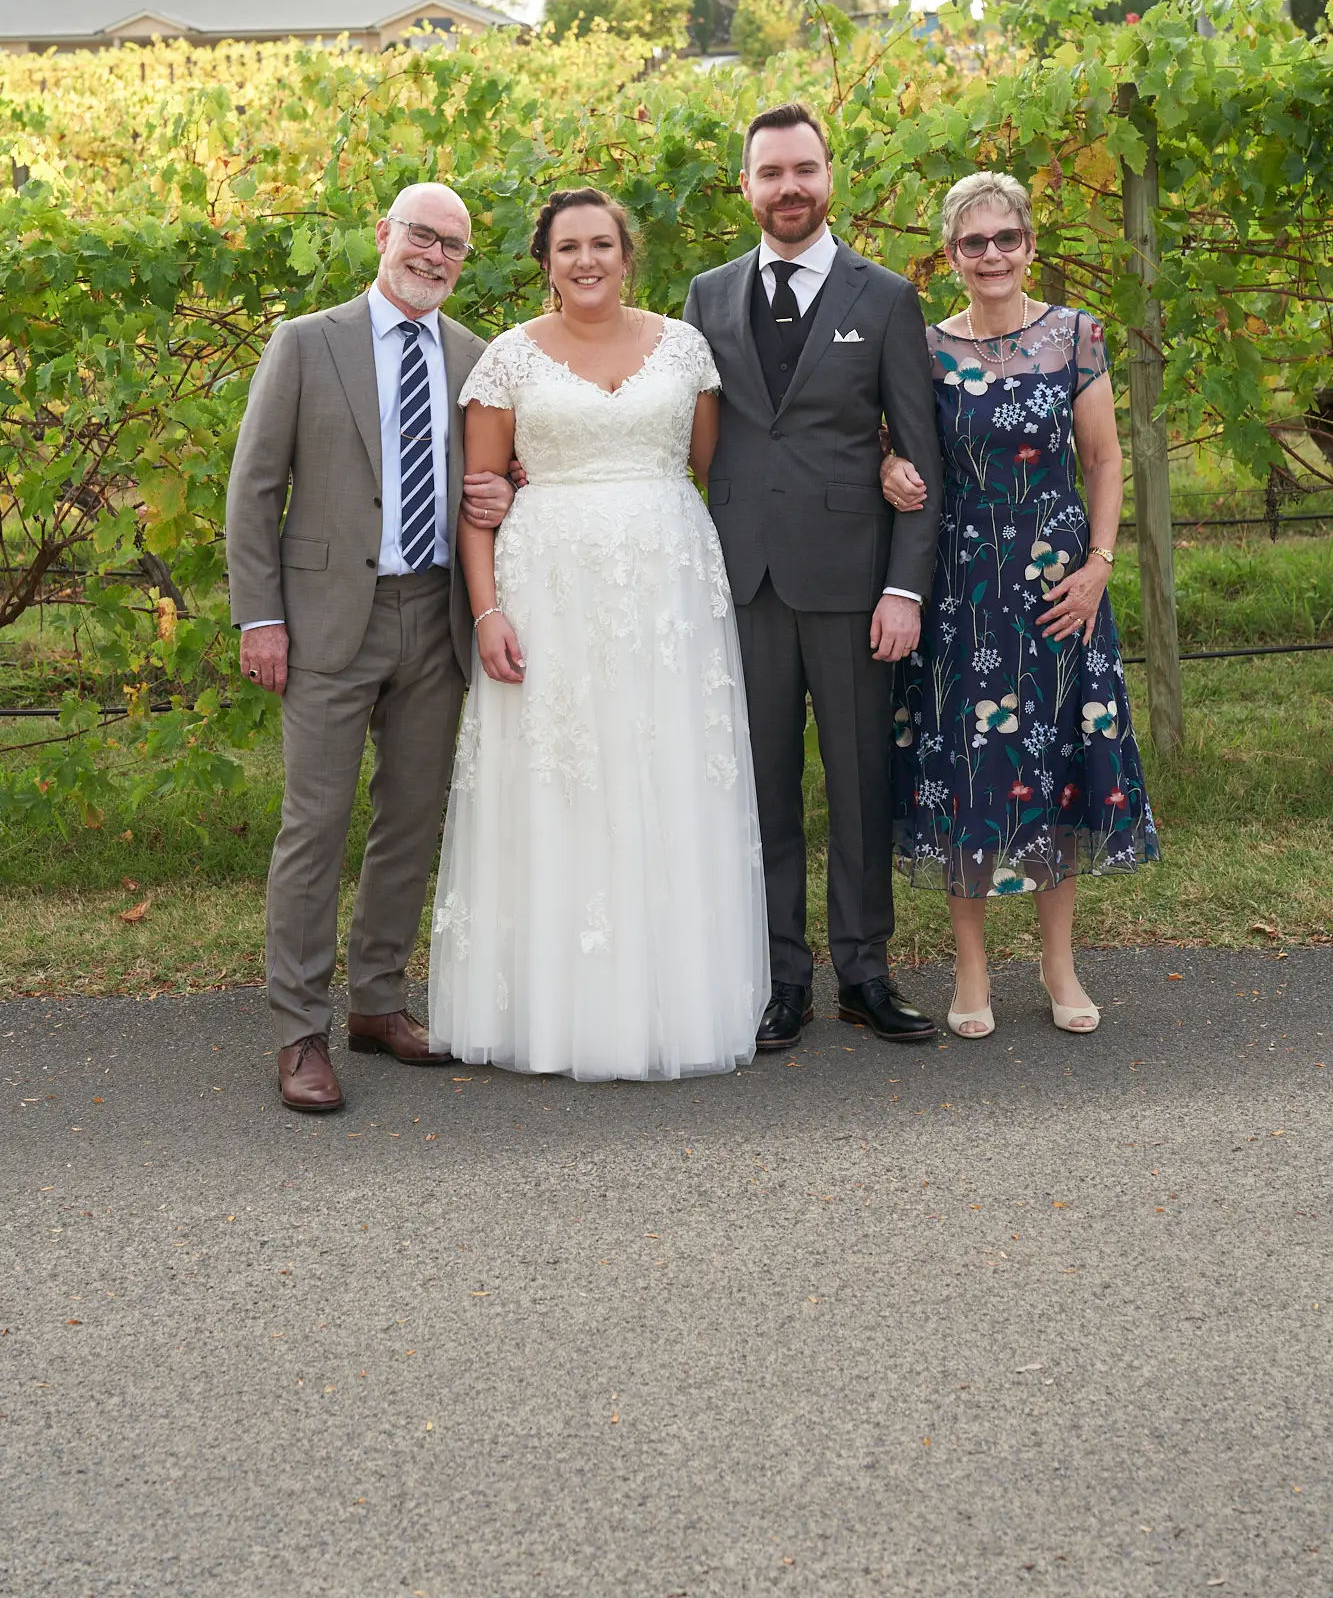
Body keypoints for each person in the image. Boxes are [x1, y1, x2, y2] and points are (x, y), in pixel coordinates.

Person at [428, 188, 769, 1080]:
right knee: (564, 782)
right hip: (547, 591)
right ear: (545, 262)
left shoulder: (684, 347)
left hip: (668, 597)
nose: (586, 260)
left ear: (627, 254)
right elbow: (478, 500)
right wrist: (487, 612)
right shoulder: (507, 360)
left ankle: (671, 997)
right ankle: (558, 1007)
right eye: (567, 247)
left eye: (602, 245)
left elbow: (714, 471)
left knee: (663, 779)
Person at [226, 183, 515, 1112]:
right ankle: (299, 1031)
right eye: (422, 236)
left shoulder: (474, 357)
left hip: (435, 614)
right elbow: (254, 485)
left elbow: (494, 481)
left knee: (410, 818)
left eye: (454, 246)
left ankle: (378, 1003)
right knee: (314, 824)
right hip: (324, 622)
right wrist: (258, 616)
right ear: (383, 234)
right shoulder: (307, 342)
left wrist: (500, 496)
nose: (434, 256)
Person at [682, 102, 945, 1050]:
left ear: (829, 177)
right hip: (741, 582)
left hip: (852, 585)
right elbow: (676, 429)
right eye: (769, 173)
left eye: (804, 170)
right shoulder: (706, 297)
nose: (788, 188)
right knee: (759, 789)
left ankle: (863, 972)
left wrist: (904, 589)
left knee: (860, 782)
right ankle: (778, 974)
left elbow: (921, 462)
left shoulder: (883, 299)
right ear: (745, 186)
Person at [882, 171, 1159, 1038]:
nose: (991, 254)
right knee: (969, 773)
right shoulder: (924, 350)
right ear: (951, 256)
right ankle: (970, 970)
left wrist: (1100, 566)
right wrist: (885, 468)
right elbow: (894, 453)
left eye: (1006, 238)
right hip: (962, 591)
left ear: (1029, 246)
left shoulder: (1074, 338)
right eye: (974, 242)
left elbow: (1106, 461)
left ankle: (1057, 963)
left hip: (1058, 592)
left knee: (1058, 768)